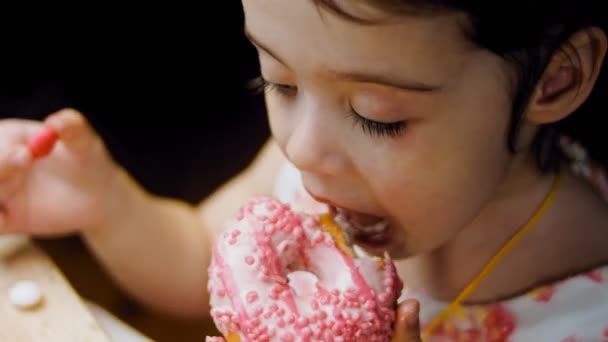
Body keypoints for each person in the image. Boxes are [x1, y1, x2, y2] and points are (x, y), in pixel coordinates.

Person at [1, 0, 607, 340]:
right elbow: (195, 260)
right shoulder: (318, 187)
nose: (303, 149)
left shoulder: (585, 316)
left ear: (555, 78)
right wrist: (103, 201)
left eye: (377, 117)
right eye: (278, 81)